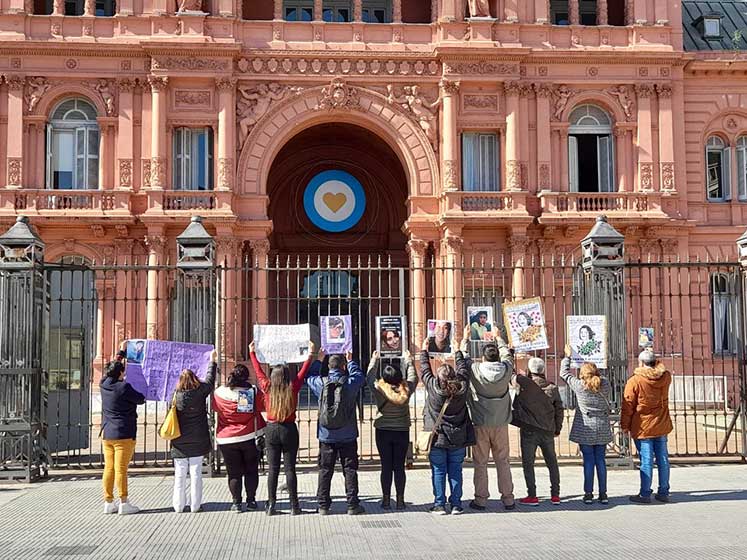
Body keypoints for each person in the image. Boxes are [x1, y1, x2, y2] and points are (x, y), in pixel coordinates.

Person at [250, 340, 315, 516]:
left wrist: (252, 353)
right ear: (286, 376)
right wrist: (310, 354)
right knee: (290, 468)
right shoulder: (293, 387)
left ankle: (271, 505)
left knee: (273, 469)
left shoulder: (267, 387)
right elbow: (303, 371)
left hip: (271, 429)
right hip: (289, 429)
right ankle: (295, 505)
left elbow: (258, 371)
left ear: (273, 377)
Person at [459, 327, 515, 511]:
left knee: (480, 463)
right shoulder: (506, 369)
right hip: (501, 423)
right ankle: (508, 498)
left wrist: (465, 338)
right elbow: (508, 355)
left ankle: (481, 499)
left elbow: (463, 358)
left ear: (483, 357)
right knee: (503, 461)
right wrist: (499, 337)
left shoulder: (475, 370)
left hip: (480, 422)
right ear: (496, 357)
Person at [420, 337, 475, 515]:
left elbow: (424, 369)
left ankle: (439, 504)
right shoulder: (462, 387)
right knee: (456, 470)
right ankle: (457, 504)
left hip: (438, 436)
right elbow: (463, 370)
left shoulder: (433, 387)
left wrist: (424, 351)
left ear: (439, 377)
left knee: (438, 471)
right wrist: (458, 351)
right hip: (458, 436)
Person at [306, 351, 366, 515]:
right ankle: (352, 504)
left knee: (325, 469)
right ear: (343, 366)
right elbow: (360, 376)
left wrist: (318, 361)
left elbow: (309, 376)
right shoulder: (349, 383)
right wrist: (351, 361)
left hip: (326, 434)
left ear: (328, 366)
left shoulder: (321, 383)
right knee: (350, 469)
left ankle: (323, 505)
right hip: (348, 434)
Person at [560, 344, 613, 505]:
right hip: (602, 427)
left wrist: (567, 356)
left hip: (586, 428)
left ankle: (588, 494)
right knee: (601, 461)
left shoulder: (579, 386)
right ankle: (603, 494)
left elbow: (564, 373)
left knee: (588, 461)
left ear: (582, 375)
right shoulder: (605, 384)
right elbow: (600, 378)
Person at [366, 349, 418, 510]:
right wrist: (409, 360)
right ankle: (401, 500)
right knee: (399, 466)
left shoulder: (379, 389)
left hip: (383, 430)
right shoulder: (406, 389)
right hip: (402, 430)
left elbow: (369, 378)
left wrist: (374, 360)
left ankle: (386, 499)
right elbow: (413, 377)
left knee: (386, 466)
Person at [212, 363, 266, 513]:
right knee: (251, 470)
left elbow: (216, 408)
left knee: (233, 472)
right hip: (249, 436)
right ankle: (251, 500)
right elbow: (262, 406)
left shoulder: (219, 393)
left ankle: (236, 503)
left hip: (226, 438)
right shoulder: (253, 392)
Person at [622, 348, 673, 504]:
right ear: (655, 362)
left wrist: (625, 425)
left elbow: (628, 405)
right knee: (663, 458)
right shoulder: (665, 377)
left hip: (643, 425)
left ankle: (645, 493)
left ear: (641, 362)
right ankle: (663, 491)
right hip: (661, 423)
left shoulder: (635, 381)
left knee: (646, 460)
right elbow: (660, 370)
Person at [169, 350, 218, 513]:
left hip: (179, 440)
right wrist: (212, 362)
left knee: (180, 475)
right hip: (198, 438)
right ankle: (196, 505)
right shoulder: (200, 392)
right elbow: (210, 382)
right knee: (196, 473)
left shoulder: (175, 396)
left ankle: (178, 506)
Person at [100, 342, 146, 515]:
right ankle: (124, 502)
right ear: (121, 373)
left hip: (108, 433)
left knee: (109, 468)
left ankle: (108, 501)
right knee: (121, 469)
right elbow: (140, 399)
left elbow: (111, 368)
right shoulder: (124, 387)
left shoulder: (103, 383)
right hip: (124, 434)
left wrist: (121, 351)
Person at [511, 356, 564, 506]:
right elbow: (559, 410)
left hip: (529, 430)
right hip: (548, 430)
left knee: (528, 463)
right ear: (543, 370)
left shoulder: (524, 387)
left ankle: (532, 495)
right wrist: (557, 428)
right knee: (552, 463)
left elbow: (516, 402)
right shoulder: (552, 388)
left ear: (530, 370)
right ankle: (555, 495)